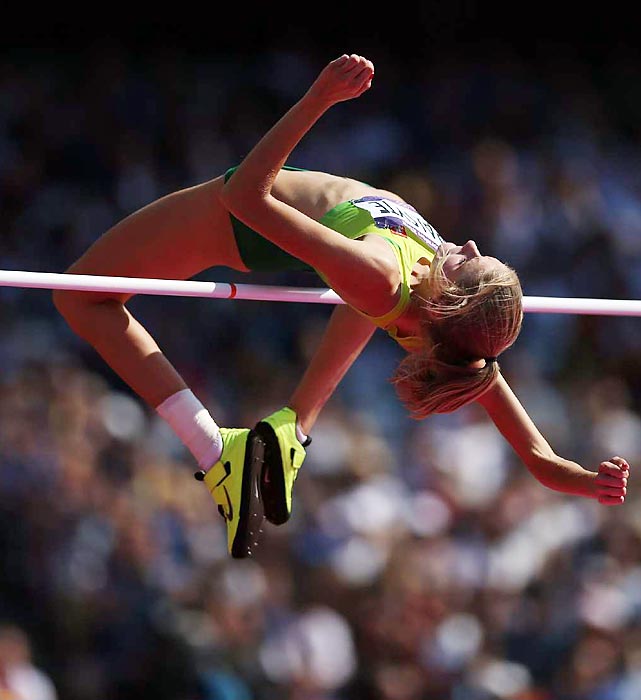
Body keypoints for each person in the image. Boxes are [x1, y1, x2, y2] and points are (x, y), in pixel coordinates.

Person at [53, 54, 630, 559]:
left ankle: (215, 449)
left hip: (240, 217)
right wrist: (587, 482)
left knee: (80, 295)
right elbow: (536, 457)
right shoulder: (455, 337)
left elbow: (244, 194)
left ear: (452, 298)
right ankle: (291, 431)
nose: (469, 245)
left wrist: (317, 99)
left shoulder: (382, 278)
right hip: (335, 245)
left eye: (468, 263)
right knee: (369, 302)